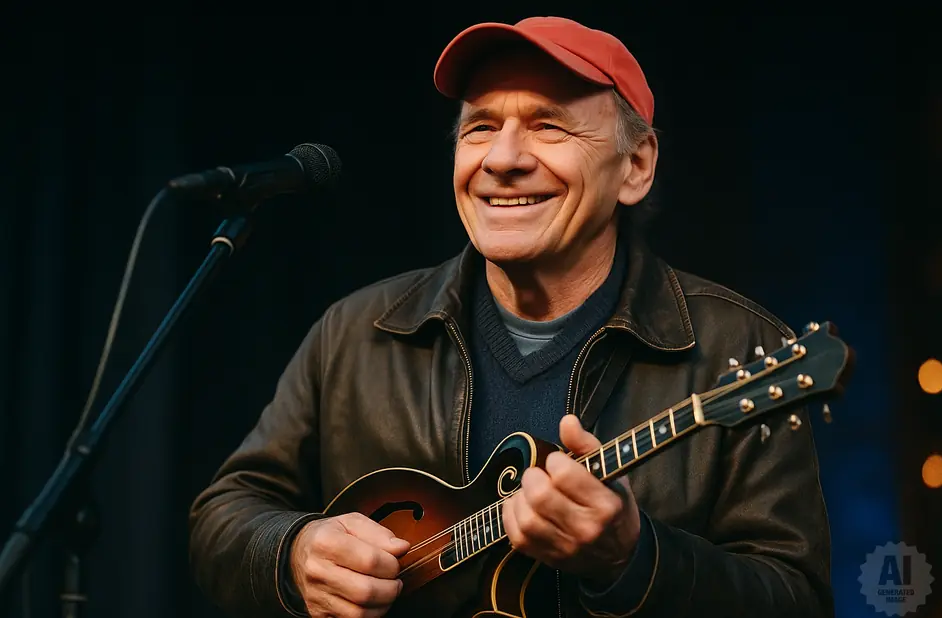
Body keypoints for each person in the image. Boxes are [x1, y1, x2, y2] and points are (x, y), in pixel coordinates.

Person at [188, 16, 834, 618]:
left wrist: (635, 560)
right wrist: (293, 552)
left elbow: (797, 598)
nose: (502, 159)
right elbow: (223, 516)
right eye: (480, 128)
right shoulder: (356, 332)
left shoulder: (741, 345)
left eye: (548, 125)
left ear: (635, 167)